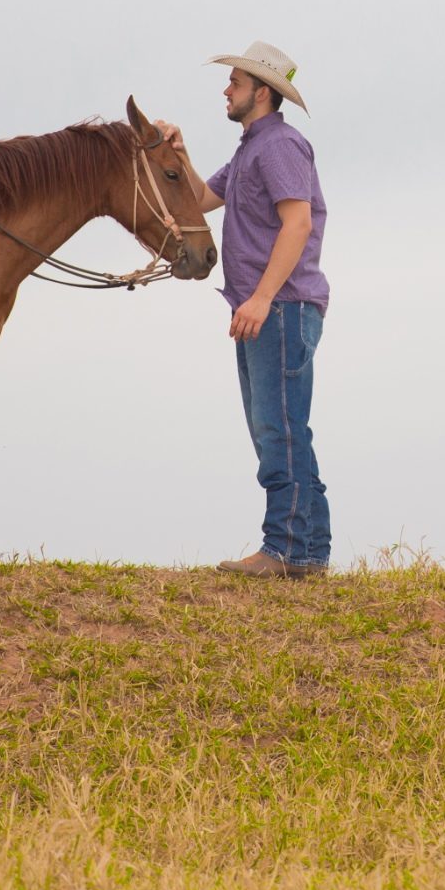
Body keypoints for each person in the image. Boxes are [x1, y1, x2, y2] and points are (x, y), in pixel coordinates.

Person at [158, 41, 331, 579]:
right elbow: (201, 199)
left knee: (278, 429)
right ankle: (306, 552)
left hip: (277, 308)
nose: (225, 90)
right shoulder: (249, 150)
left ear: (262, 92)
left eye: (234, 82)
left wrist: (259, 298)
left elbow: (297, 223)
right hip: (268, 309)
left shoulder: (278, 146)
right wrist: (179, 151)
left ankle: (285, 549)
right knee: (278, 428)